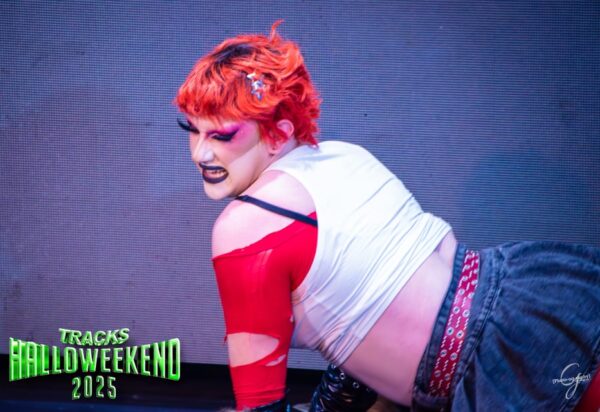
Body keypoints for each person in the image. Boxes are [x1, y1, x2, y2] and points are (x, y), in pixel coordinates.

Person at [174, 22, 600, 412]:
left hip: (501, 365)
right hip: (537, 299)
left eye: (221, 135)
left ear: (277, 134)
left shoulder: (246, 227)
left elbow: (260, 403)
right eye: (192, 130)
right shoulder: (345, 156)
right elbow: (365, 322)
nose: (200, 154)